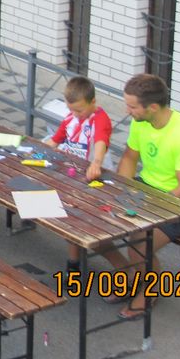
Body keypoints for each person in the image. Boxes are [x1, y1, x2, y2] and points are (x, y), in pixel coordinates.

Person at [101, 74, 180, 320]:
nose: (127, 111)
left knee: (140, 247)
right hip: (145, 190)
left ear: (153, 107)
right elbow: (129, 158)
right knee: (94, 221)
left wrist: (146, 212)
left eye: (132, 107)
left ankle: (149, 293)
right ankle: (128, 272)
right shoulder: (141, 121)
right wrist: (121, 192)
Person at [42, 76, 112, 271]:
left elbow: (101, 141)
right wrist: (37, 148)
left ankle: (122, 266)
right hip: (73, 175)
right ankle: (73, 265)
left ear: (93, 102)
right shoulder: (71, 118)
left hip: (95, 177)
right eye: (71, 109)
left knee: (86, 226)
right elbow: (56, 139)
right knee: (71, 220)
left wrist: (96, 163)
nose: (75, 114)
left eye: (79, 110)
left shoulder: (100, 119)